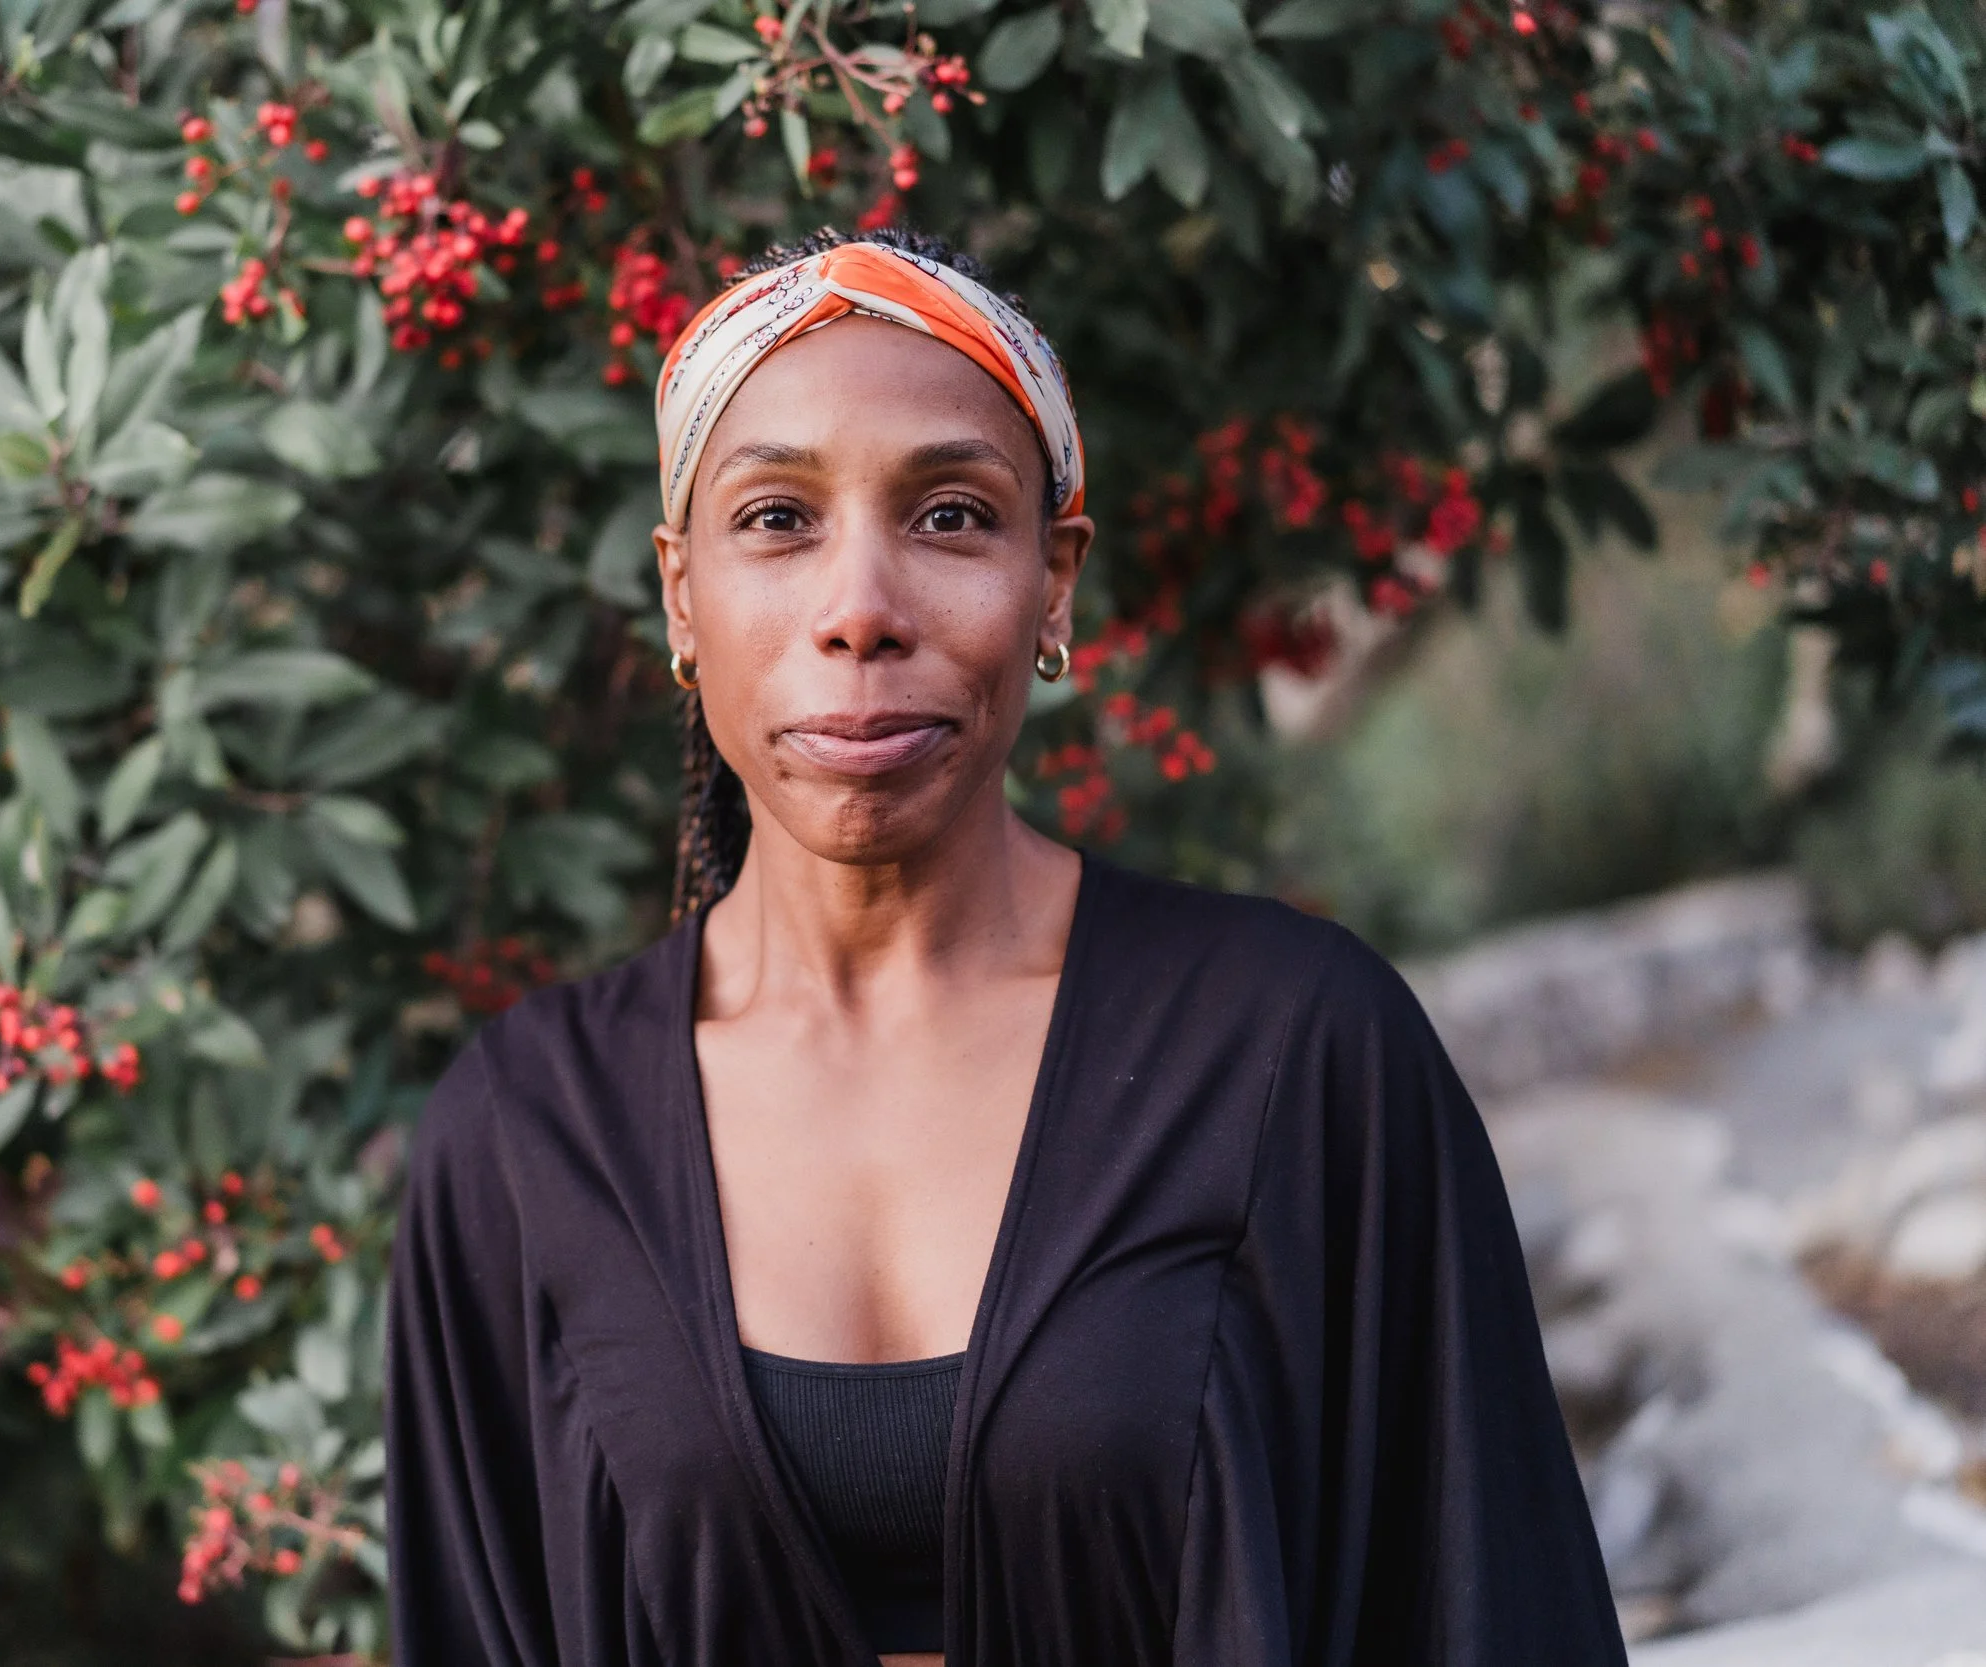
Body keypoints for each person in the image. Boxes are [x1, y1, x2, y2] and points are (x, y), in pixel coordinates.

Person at [384, 227, 1626, 1667]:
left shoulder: (1296, 1058)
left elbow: (1489, 1605)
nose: (859, 611)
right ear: (680, 593)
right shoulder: (527, 1141)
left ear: (1057, 583)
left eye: (953, 516)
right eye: (777, 518)